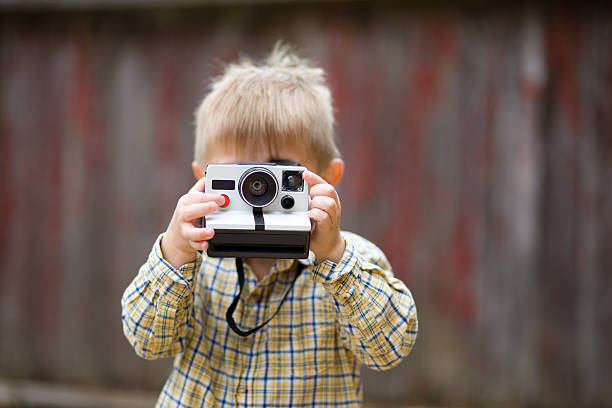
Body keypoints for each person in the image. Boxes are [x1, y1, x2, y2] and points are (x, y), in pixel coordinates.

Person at [121, 43, 418, 407]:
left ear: (327, 178)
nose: (256, 190)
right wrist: (175, 253)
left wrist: (335, 256)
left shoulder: (351, 259)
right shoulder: (192, 261)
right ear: (204, 179)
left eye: (275, 173)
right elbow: (146, 341)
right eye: (240, 176)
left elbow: (389, 349)